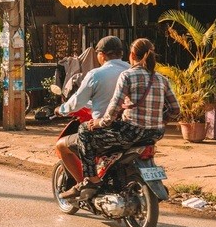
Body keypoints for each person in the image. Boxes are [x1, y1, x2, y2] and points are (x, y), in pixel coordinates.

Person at [60, 38, 180, 200]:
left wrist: (99, 123)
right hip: (154, 135)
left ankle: (91, 180)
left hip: (130, 133)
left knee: (84, 131)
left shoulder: (128, 75)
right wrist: (160, 122)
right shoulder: (160, 78)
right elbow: (175, 109)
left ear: (131, 55)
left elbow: (114, 108)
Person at [53, 36, 128, 184]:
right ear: (121, 53)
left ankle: (86, 183)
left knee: (63, 144)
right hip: (130, 128)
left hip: (105, 129)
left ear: (101, 55)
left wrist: (60, 109)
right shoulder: (132, 70)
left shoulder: (96, 74)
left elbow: (76, 102)